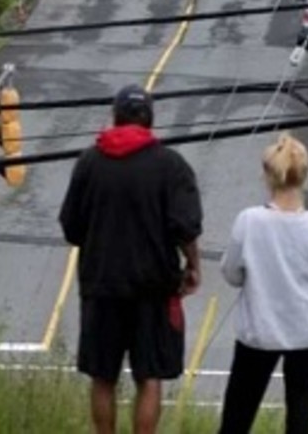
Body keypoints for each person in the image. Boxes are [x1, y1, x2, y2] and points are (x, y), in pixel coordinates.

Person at [59, 83, 203, 434]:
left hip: (101, 284)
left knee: (103, 377)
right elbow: (185, 228)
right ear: (149, 120)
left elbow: (71, 227)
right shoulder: (171, 165)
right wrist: (193, 266)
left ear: (115, 117)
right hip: (153, 288)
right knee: (149, 376)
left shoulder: (89, 163)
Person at [218, 133, 308, 434]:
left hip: (259, 331)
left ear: (268, 175)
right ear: (305, 177)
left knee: (237, 416)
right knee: (300, 419)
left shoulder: (249, 221)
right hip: (307, 333)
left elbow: (231, 273)